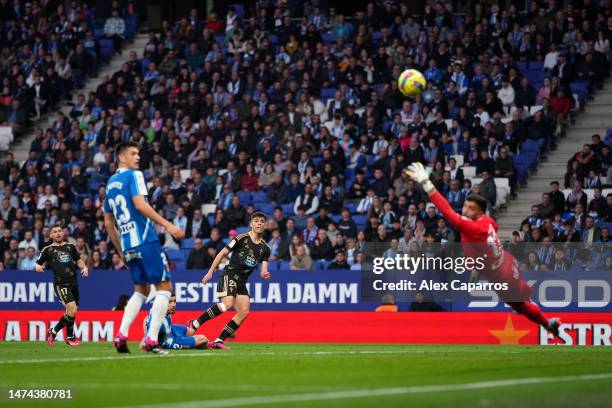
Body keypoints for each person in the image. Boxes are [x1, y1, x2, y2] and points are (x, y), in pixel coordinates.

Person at [405, 162, 560, 336]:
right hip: (505, 261)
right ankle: (529, 303)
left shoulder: (472, 227)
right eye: (465, 206)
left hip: (499, 275)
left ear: (479, 212)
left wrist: (427, 183)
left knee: (520, 306)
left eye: (470, 208)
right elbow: (490, 228)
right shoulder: (487, 221)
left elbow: (446, 210)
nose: (465, 210)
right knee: (520, 297)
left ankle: (548, 323)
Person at [104, 142, 185, 354]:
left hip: (128, 244)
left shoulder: (110, 183)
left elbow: (108, 222)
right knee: (164, 288)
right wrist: (167, 225)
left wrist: (120, 249)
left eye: (138, 153)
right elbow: (140, 205)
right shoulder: (135, 175)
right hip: (145, 240)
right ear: (122, 158)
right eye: (133, 153)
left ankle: (121, 334)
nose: (137, 157)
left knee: (141, 290)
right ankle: (151, 339)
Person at [188, 211, 271, 349]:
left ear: (264, 225)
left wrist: (264, 273)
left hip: (242, 281)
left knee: (244, 312)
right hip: (230, 274)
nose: (259, 223)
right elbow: (222, 253)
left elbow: (263, 269)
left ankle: (219, 340)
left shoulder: (265, 248)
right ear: (251, 224)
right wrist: (210, 272)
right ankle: (195, 323)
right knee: (227, 304)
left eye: (262, 221)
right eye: (256, 221)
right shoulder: (241, 238)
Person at [36, 224, 89, 347]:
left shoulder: (70, 247)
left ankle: (55, 332)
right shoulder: (47, 249)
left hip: (73, 282)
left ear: (63, 233)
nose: (58, 233)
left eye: (59, 231)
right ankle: (69, 336)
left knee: (72, 312)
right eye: (55, 232)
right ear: (51, 235)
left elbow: (78, 260)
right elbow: (38, 263)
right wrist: (38, 266)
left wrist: (84, 267)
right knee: (72, 309)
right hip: (61, 284)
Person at [142, 293, 210, 350]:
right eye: (170, 302)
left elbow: (146, 319)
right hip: (170, 341)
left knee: (191, 331)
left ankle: (189, 340)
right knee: (203, 339)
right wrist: (147, 339)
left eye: (174, 301)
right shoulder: (158, 320)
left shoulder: (163, 312)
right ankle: (206, 344)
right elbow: (146, 339)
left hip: (171, 330)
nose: (173, 305)